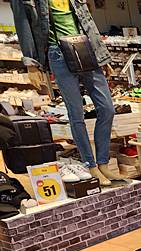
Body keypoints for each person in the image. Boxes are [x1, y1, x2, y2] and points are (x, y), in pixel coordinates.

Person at [10, 0, 116, 186]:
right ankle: (90, 165)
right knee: (76, 114)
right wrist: (31, 63)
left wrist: (101, 55)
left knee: (107, 109)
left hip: (85, 47)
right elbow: (23, 25)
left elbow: (86, 20)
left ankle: (103, 163)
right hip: (58, 52)